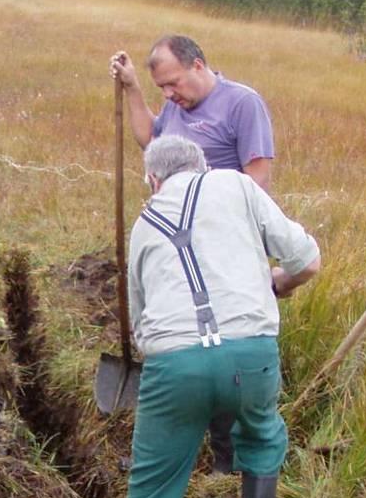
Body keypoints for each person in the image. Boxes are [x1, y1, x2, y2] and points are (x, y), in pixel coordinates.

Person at [111, 134, 320, 498]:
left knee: (152, 483)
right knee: (263, 439)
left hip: (174, 365)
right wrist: (279, 284)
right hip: (251, 355)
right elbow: (308, 261)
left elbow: (142, 327)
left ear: (153, 181)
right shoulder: (236, 185)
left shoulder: (144, 222)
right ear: (201, 167)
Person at [109, 34, 276, 471]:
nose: (170, 95)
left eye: (173, 84)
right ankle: (169, 446)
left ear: (199, 65)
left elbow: (256, 180)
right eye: (162, 88)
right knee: (180, 338)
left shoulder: (242, 104)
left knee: (222, 344)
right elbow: (151, 140)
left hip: (222, 254)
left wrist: (207, 214)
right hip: (176, 248)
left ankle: (230, 461)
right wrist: (131, 88)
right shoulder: (176, 108)